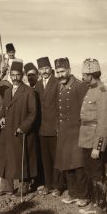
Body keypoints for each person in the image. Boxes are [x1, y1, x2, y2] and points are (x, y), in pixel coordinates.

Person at [78, 59, 107, 214]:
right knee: (90, 173)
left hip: (94, 141)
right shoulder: (90, 89)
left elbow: (104, 123)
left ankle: (102, 207)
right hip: (85, 139)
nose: (82, 76)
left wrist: (97, 147)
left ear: (91, 75)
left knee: (98, 176)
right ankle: (93, 203)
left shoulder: (103, 92)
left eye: (84, 74)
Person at [0, 61, 38, 196]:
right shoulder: (8, 91)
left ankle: (24, 186)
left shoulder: (28, 91)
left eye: (18, 75)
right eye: (12, 75)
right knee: (5, 156)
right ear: (10, 75)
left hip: (20, 131)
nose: (15, 78)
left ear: (22, 76)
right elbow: (4, 108)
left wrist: (23, 127)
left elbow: (33, 113)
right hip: (7, 130)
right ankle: (7, 187)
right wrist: (1, 117)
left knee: (22, 158)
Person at [54, 57, 89, 207]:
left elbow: (86, 111)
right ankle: (73, 193)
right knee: (67, 163)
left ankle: (84, 195)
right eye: (57, 72)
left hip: (77, 131)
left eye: (62, 71)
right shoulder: (59, 86)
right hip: (64, 132)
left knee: (79, 165)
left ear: (69, 70)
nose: (60, 75)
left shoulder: (79, 86)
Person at [35, 57, 64, 196]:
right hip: (42, 128)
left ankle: (58, 186)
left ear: (50, 68)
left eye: (46, 68)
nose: (44, 71)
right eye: (41, 69)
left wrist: (58, 126)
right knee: (45, 159)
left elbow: (60, 106)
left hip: (54, 127)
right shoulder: (38, 84)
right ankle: (48, 184)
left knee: (56, 158)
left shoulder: (57, 82)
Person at [24, 62, 44, 191]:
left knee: (42, 155)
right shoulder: (26, 90)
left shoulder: (41, 88)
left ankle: (43, 180)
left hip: (42, 125)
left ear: (38, 75)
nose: (31, 78)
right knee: (32, 154)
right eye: (28, 75)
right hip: (31, 127)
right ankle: (35, 179)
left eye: (33, 75)